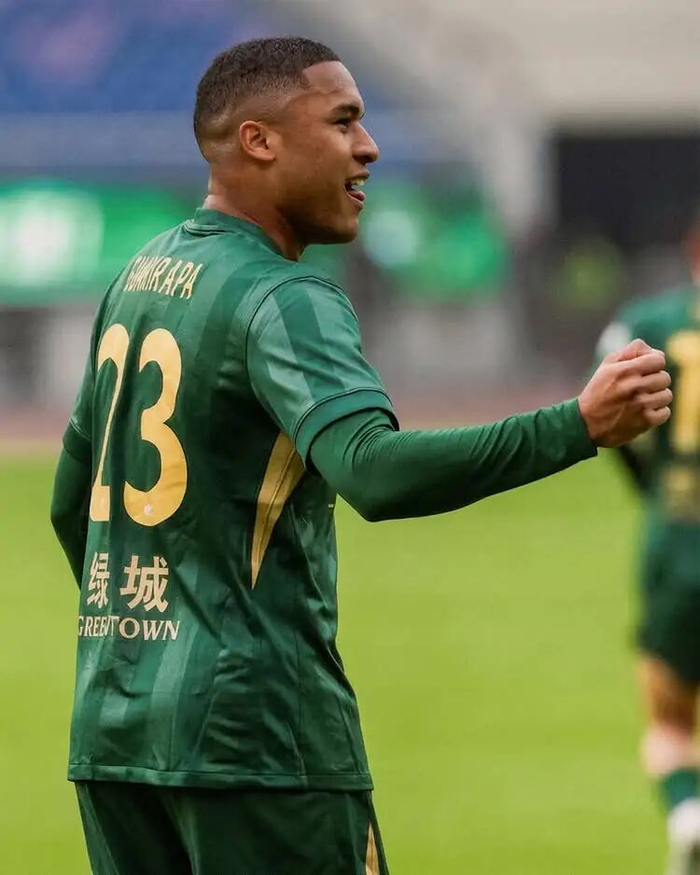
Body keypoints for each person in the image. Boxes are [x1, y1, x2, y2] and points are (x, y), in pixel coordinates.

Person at [51, 37, 672, 875]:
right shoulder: (284, 295)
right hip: (259, 745)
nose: (368, 147)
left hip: (115, 736)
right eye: (343, 122)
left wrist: (155, 644)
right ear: (259, 141)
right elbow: (373, 471)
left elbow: (71, 503)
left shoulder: (139, 278)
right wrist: (578, 424)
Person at [596, 222, 700, 875]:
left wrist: (656, 487)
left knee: (670, 722)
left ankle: (689, 814)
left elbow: (614, 423)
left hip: (678, 537)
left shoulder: (648, 324)